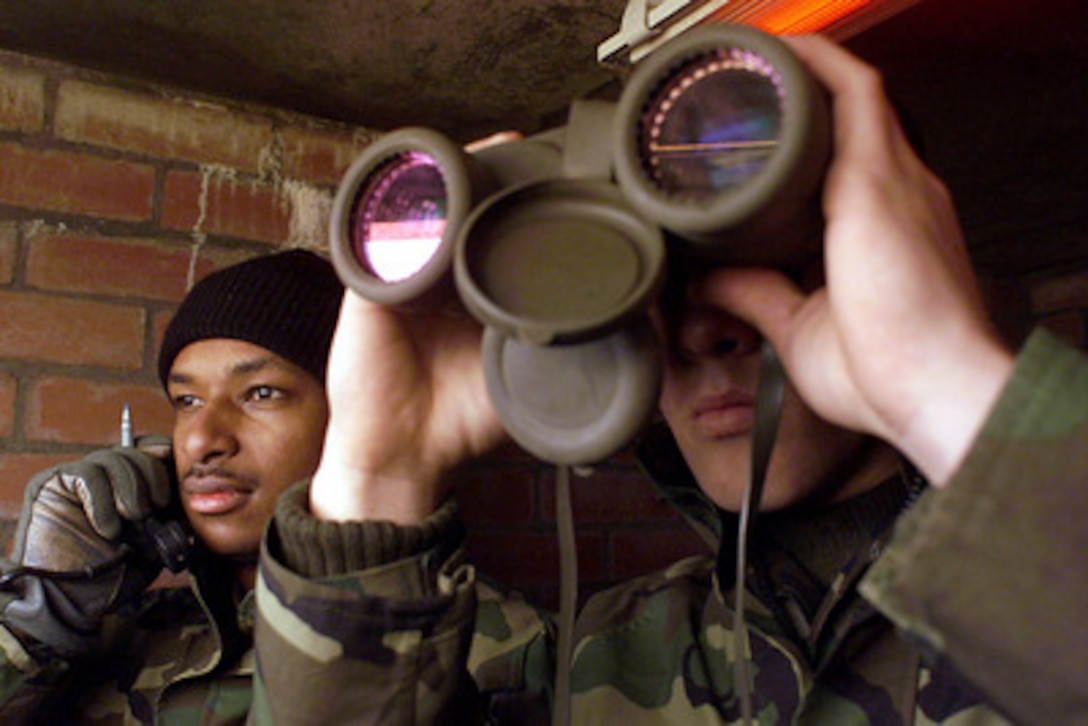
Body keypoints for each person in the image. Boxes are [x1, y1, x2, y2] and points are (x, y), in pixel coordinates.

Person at [250, 34, 1088, 725]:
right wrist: (376, 477)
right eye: (655, 296)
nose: (698, 334)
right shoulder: (596, 658)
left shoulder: (1028, 608)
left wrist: (942, 383)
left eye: (774, 268)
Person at [0, 249, 343, 722]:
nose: (202, 439)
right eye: (187, 400)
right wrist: (38, 617)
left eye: (261, 393)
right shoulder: (122, 635)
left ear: (354, 416)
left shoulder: (453, 648)